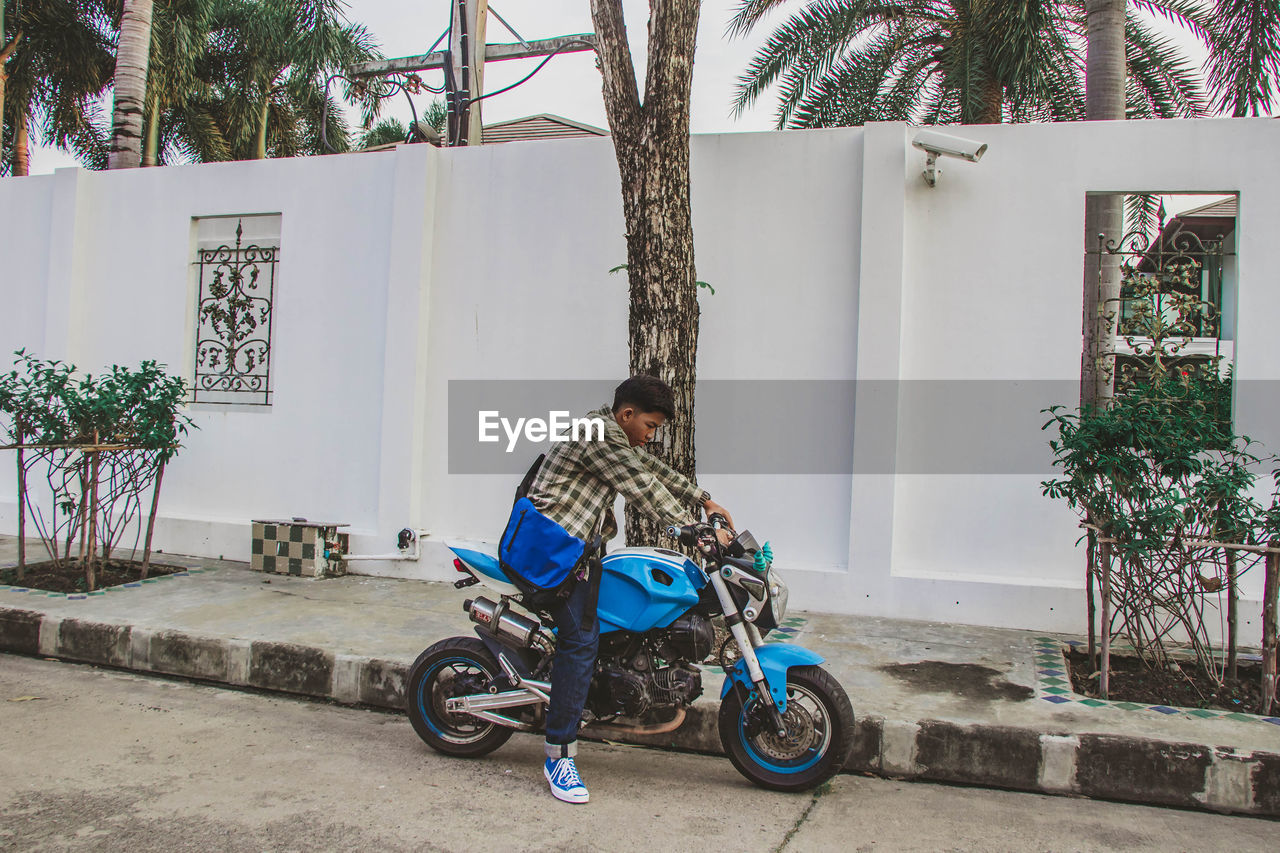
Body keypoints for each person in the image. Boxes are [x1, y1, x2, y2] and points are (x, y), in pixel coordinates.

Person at [526, 375, 733, 804]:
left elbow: (649, 471)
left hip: (575, 554)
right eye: (651, 427)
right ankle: (558, 756)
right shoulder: (598, 435)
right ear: (627, 415)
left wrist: (703, 499)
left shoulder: (614, 435)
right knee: (580, 642)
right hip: (549, 557)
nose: (651, 436)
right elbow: (642, 489)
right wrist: (692, 530)